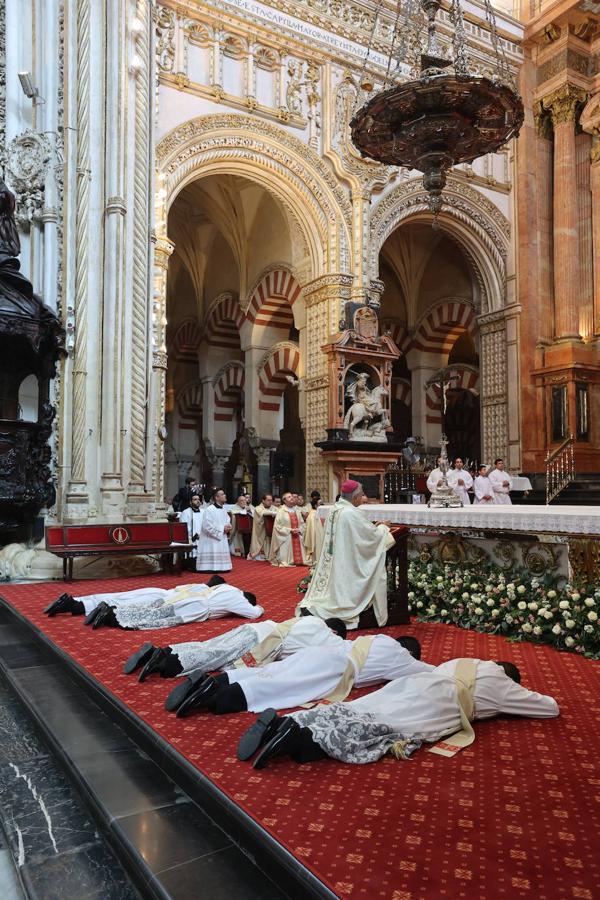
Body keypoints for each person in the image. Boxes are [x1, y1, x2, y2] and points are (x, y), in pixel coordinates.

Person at [244, 658, 559, 769]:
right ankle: (295, 742)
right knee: (380, 729)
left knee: (361, 708)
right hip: (441, 702)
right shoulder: (502, 684)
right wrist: (510, 694)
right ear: (508, 675)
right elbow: (550, 708)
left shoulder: (464, 660)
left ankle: (288, 723)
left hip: (417, 683)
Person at [176, 634, 431, 720]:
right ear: (408, 651)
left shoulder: (373, 639)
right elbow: (427, 671)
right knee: (278, 687)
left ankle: (212, 682)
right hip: (334, 668)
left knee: (269, 672)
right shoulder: (401, 657)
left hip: (316, 653)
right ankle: (211, 698)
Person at [126, 616, 348, 711]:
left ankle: (160, 653)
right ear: (336, 631)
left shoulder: (310, 619)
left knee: (208, 646)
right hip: (260, 642)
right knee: (213, 657)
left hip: (256, 628)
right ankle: (163, 664)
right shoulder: (331, 639)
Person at [296, 480, 396, 629]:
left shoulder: (336, 509)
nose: (362, 497)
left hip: (339, 557)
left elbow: (356, 534)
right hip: (347, 560)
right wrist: (382, 528)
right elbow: (371, 539)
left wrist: (373, 527)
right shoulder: (351, 513)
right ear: (355, 497)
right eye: (361, 494)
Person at [44, 576, 261, 629]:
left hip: (165, 592)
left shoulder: (208, 587)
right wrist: (258, 606)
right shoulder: (235, 596)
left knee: (122, 596)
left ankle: (76, 603)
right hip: (186, 605)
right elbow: (254, 613)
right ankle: (110, 615)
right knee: (151, 616)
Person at [196, 488, 233, 572]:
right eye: (222, 494)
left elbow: (227, 520)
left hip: (221, 536)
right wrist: (222, 528)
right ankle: (209, 567)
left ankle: (223, 566)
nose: (225, 496)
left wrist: (228, 526)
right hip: (210, 540)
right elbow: (206, 526)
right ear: (216, 497)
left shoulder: (223, 510)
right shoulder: (209, 510)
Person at [269, 492, 308, 567]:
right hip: (286, 537)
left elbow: (303, 524)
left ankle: (299, 560)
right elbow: (277, 527)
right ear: (285, 501)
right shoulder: (281, 511)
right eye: (289, 497)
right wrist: (290, 530)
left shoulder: (297, 510)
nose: (292, 498)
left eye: (292, 497)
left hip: (297, 535)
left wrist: (299, 529)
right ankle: (288, 560)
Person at [179, 494, 205, 568]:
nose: (197, 501)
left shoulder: (204, 512)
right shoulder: (186, 512)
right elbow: (184, 527)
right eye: (195, 499)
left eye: (198, 499)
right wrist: (194, 536)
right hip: (192, 537)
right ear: (190, 502)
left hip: (203, 536)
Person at [248, 494, 276, 560]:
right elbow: (264, 513)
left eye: (271, 500)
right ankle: (259, 554)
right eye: (268, 500)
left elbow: (278, 512)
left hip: (270, 530)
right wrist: (273, 513)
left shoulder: (273, 508)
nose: (270, 502)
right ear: (263, 500)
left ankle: (270, 555)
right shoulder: (258, 508)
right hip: (260, 531)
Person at [301, 496, 324, 566]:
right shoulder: (313, 515)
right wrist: (313, 542)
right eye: (320, 504)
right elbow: (312, 531)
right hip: (316, 538)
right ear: (315, 505)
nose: (322, 505)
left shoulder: (318, 513)